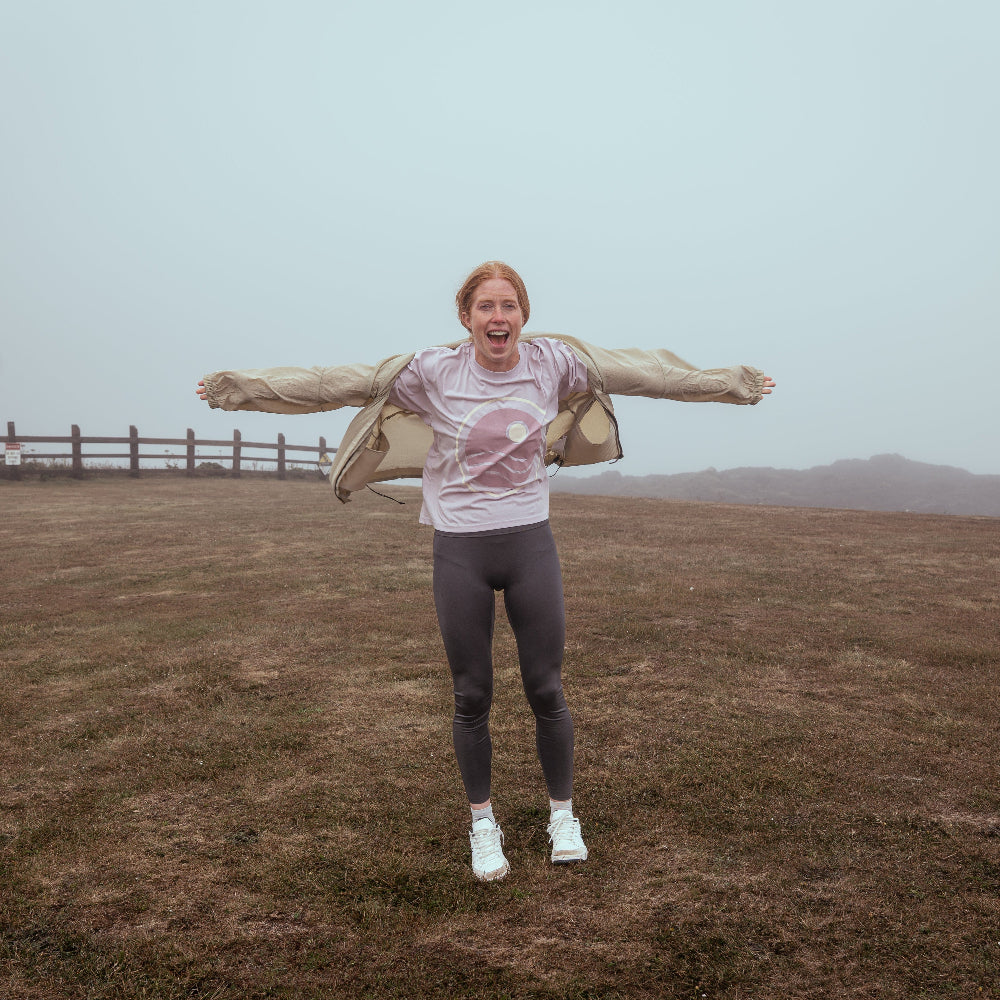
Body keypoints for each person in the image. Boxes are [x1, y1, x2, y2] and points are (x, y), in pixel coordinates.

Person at [197, 261, 775, 881]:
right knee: (472, 694)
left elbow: (650, 374)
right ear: (466, 318)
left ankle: (562, 816)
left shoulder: (554, 363)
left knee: (545, 689)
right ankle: (482, 823)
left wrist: (733, 384)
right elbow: (330, 384)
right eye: (485, 308)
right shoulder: (431, 372)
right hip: (461, 551)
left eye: (509, 307)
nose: (498, 318)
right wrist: (239, 389)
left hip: (530, 544)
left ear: (523, 315)